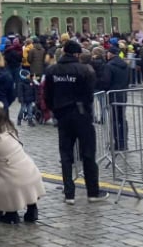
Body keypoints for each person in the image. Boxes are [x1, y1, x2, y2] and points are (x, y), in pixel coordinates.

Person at [43, 40, 108, 204]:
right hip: (82, 115)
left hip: (62, 115)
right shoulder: (85, 70)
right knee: (88, 154)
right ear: (77, 54)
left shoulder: (52, 70)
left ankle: (69, 194)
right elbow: (89, 95)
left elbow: (47, 95)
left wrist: (55, 110)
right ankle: (92, 192)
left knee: (66, 155)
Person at [0, 103, 45, 223]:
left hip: (13, 181)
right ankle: (32, 209)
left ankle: (11, 213)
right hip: (31, 173)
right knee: (11, 175)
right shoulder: (10, 131)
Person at [102, 48, 131, 151]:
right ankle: (124, 142)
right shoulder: (125, 65)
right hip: (123, 94)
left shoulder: (109, 66)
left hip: (113, 94)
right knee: (122, 118)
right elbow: (128, 80)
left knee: (114, 120)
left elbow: (106, 82)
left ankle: (118, 143)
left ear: (110, 54)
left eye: (107, 53)